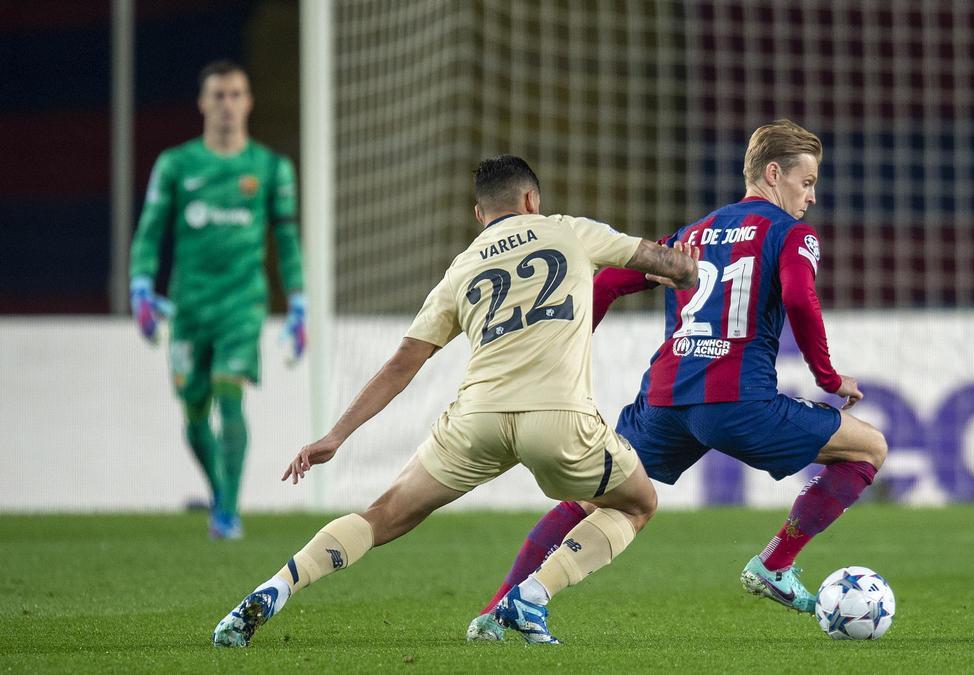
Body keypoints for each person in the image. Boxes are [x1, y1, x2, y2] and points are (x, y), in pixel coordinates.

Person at [211, 155, 699, 647]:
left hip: (476, 419)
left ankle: (276, 587)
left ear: (479, 214)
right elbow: (668, 262)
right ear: (532, 200)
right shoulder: (569, 231)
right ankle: (532, 596)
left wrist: (334, 436)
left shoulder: (462, 268)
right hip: (558, 419)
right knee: (637, 503)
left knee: (381, 515)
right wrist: (682, 272)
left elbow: (402, 363)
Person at [467, 120, 887, 641]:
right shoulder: (790, 233)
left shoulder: (689, 235)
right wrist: (827, 376)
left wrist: (567, 349)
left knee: (598, 497)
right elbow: (800, 299)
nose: (812, 196)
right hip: (739, 403)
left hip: (664, 402)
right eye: (806, 182)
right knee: (869, 447)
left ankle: (497, 610)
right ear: (773, 174)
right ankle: (774, 565)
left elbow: (607, 283)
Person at [129, 60, 306, 540]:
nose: (227, 104)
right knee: (193, 409)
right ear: (203, 102)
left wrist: (298, 302)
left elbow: (287, 241)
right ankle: (220, 494)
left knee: (230, 394)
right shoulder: (177, 164)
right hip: (188, 307)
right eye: (218, 95)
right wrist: (140, 284)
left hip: (241, 304)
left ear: (248, 102)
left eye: (235, 95)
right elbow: (150, 230)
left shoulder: (270, 168)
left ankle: (227, 511)